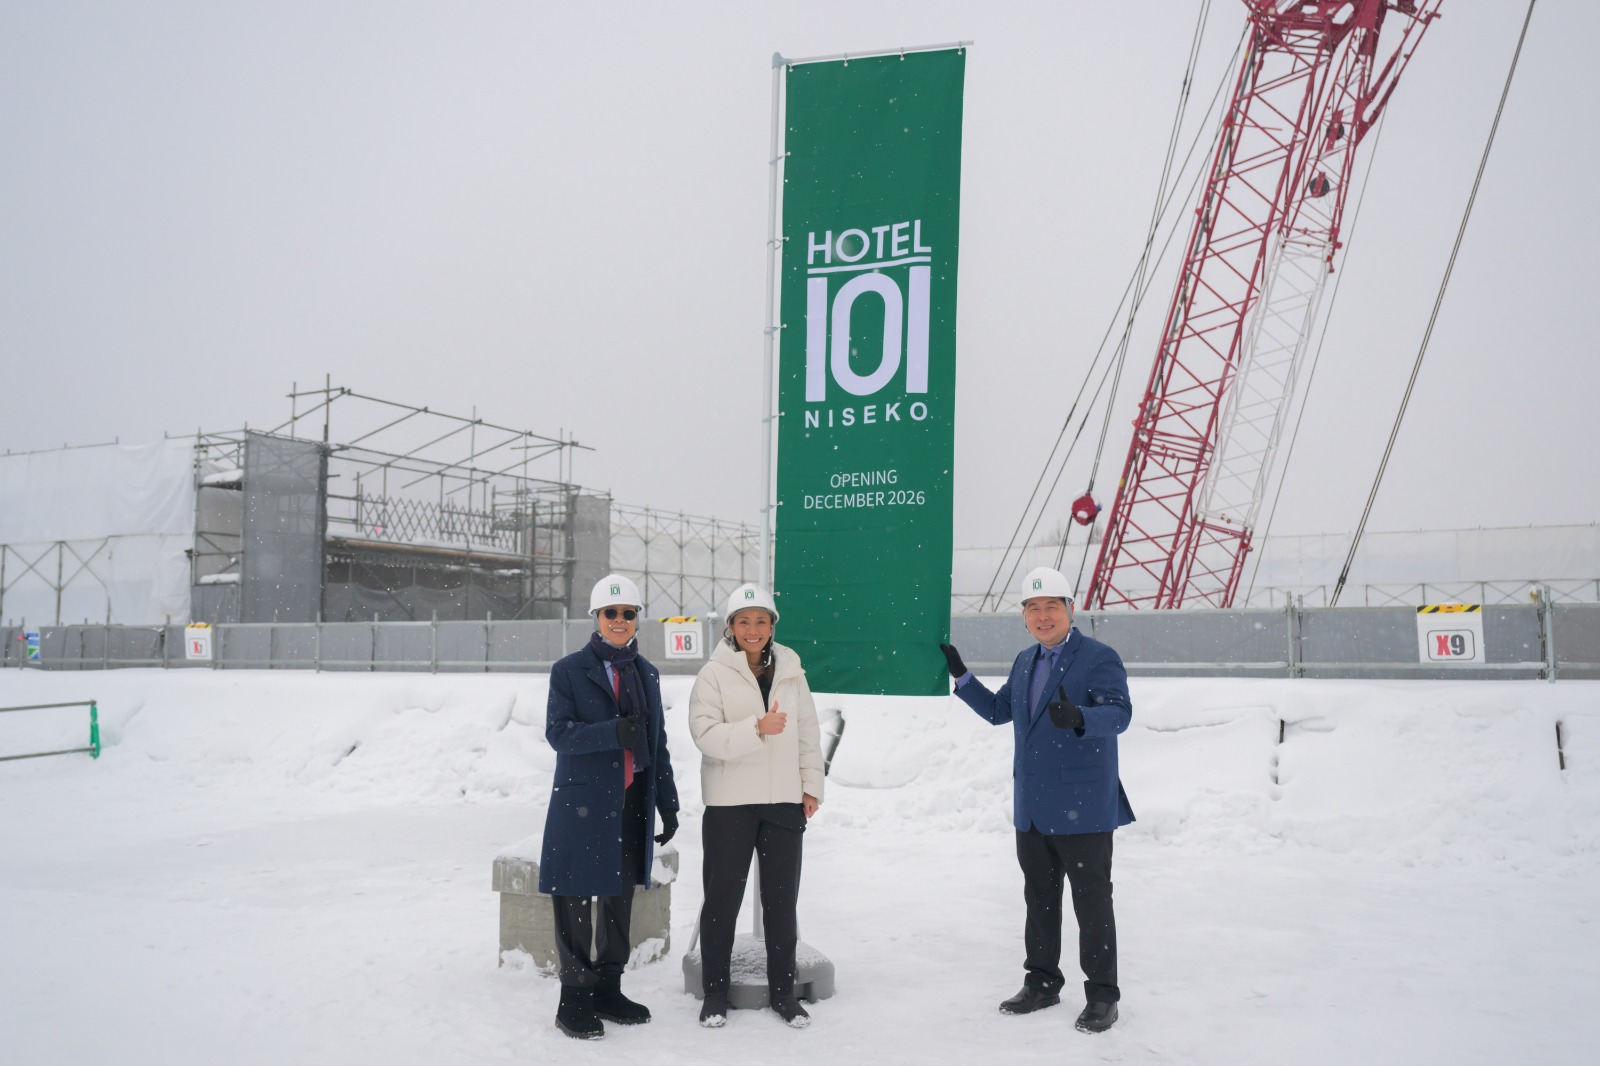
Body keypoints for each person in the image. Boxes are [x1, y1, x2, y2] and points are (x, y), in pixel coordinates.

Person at [938, 566, 1133, 1034]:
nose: (1042, 616)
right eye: (1033, 609)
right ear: (1024, 617)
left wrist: (1081, 716)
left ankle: (1103, 995)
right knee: (1039, 900)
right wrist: (962, 676)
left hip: (1083, 808)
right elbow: (999, 712)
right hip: (1033, 808)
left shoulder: (1099, 657)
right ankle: (1042, 982)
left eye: (1051, 607)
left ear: (1069, 610)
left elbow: (1120, 714)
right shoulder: (1025, 660)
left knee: (1092, 904)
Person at [539, 573, 680, 1040]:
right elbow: (558, 733)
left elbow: (655, 742)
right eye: (611, 613)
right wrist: (610, 733)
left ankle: (607, 988)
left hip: (632, 801)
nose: (620, 621)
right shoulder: (569, 670)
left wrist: (668, 801)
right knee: (577, 899)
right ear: (596, 618)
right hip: (584, 804)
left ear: (637, 618)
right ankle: (573, 1000)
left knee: (619, 899)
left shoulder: (647, 673)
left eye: (628, 613)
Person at [688, 582, 825, 1030]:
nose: (753, 629)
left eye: (761, 621)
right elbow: (704, 734)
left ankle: (784, 994)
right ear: (730, 627)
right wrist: (756, 728)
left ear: (772, 625)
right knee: (722, 901)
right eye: (744, 621)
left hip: (783, 801)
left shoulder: (791, 668)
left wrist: (811, 786)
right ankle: (714, 994)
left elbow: (807, 731)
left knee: (782, 903)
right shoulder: (713, 673)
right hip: (730, 803)